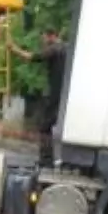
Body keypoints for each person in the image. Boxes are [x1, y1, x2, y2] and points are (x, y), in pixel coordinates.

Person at [9, 28, 67, 167]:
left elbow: (34, 57)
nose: (43, 41)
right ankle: (59, 159)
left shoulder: (54, 49)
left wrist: (14, 49)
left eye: (44, 38)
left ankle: (46, 160)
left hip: (55, 94)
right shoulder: (67, 47)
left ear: (51, 36)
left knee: (45, 127)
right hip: (66, 95)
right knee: (59, 126)